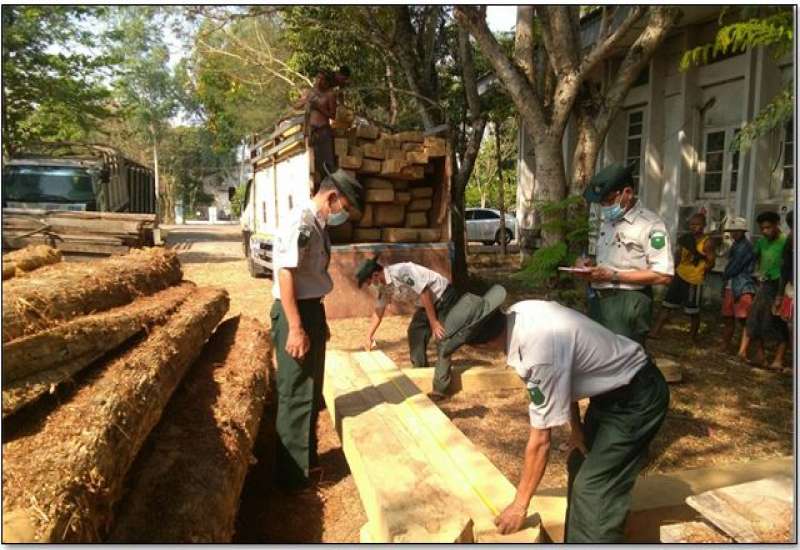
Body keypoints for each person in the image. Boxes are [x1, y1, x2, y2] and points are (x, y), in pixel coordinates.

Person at [451, 299, 668, 542]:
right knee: (578, 461)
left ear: (482, 345)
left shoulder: (538, 352)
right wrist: (577, 431)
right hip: (612, 396)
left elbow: (541, 442)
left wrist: (519, 505)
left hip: (637, 399)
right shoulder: (521, 312)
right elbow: (564, 375)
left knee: (592, 490)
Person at [271, 168, 363, 491]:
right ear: (332, 197)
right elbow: (286, 274)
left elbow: (311, 277)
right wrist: (296, 327)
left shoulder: (317, 224)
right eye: (345, 208)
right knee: (295, 392)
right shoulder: (301, 222)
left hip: (311, 310)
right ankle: (291, 478)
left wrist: (317, 322)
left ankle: (306, 463)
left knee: (311, 389)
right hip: (295, 313)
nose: (344, 215)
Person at [578, 163, 674, 346]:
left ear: (627, 193)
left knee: (624, 357)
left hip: (628, 303)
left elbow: (664, 275)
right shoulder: (609, 222)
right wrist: (588, 265)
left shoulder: (651, 224)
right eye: (602, 203)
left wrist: (613, 276)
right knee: (597, 354)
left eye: (609, 201)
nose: (605, 207)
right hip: (599, 300)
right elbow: (611, 260)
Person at [355, 258, 460, 368]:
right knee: (415, 332)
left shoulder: (402, 271)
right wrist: (369, 336)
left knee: (440, 335)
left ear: (375, 275)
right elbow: (379, 311)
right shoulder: (383, 287)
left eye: (368, 282)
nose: (369, 285)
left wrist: (434, 322)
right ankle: (420, 369)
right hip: (426, 304)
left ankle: (443, 372)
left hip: (444, 296)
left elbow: (425, 292)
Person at [651, 213, 715, 342]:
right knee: (667, 305)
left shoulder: (707, 242)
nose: (694, 227)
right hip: (679, 275)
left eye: (697, 224)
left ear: (704, 225)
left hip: (694, 279)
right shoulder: (685, 239)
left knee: (693, 311)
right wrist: (672, 271)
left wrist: (702, 271)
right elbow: (678, 255)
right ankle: (655, 332)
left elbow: (711, 261)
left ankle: (692, 337)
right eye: (691, 224)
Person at [739, 211, 789, 370]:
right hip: (765, 285)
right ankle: (759, 357)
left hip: (782, 285)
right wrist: (755, 274)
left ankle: (778, 360)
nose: (765, 231)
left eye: (768, 227)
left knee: (779, 321)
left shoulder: (787, 241)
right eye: (762, 228)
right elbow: (753, 258)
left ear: (777, 224)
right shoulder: (761, 242)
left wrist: (781, 294)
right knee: (756, 319)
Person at [717, 217, 757, 353]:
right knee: (728, 317)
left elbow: (735, 267)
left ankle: (742, 351)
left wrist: (725, 275)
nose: (734, 233)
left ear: (743, 231)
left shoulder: (745, 246)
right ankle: (725, 346)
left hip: (742, 285)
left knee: (743, 319)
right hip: (731, 284)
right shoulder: (735, 245)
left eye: (737, 231)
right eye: (732, 231)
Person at [294, 69, 338, 176]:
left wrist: (319, 107)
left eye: (322, 79)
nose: (319, 81)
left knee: (327, 163)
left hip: (324, 131)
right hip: (312, 132)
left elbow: (333, 115)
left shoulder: (330, 95)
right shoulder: (310, 93)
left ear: (326, 82)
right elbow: (296, 106)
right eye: (318, 78)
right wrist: (305, 100)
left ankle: (328, 182)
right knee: (313, 163)